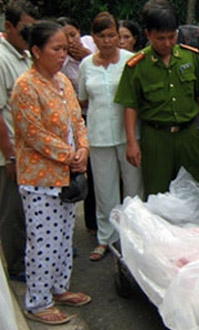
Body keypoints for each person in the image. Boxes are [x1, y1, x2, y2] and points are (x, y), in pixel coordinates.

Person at [11, 20, 92, 325]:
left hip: (67, 177)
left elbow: (78, 122)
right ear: (36, 51)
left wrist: (83, 149)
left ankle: (58, 288)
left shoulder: (62, 82)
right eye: (56, 49)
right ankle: (38, 301)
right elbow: (33, 134)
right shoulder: (26, 86)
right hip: (41, 179)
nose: (62, 54)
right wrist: (70, 155)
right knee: (43, 241)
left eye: (63, 49)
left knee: (62, 237)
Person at [114, 4, 199, 197]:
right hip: (156, 138)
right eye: (161, 38)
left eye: (172, 37)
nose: (167, 43)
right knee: (157, 194)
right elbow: (131, 105)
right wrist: (131, 143)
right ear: (148, 34)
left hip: (188, 135)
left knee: (194, 191)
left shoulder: (189, 57)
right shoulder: (137, 65)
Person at [78, 12, 144, 261]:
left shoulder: (132, 61)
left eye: (111, 35)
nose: (107, 41)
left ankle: (134, 237)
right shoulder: (86, 65)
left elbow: (137, 98)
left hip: (130, 135)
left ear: (119, 36)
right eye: (101, 36)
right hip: (98, 135)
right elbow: (83, 99)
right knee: (105, 191)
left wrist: (133, 139)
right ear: (93, 38)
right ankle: (106, 238)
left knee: (134, 187)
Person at [0, 0, 38, 282]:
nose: (30, 36)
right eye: (25, 30)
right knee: (12, 211)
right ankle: (16, 264)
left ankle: (34, 254)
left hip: (27, 150)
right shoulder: (1, 59)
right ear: (8, 26)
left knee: (29, 207)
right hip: (9, 151)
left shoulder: (24, 55)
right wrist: (10, 154)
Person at [56, 16, 98, 236]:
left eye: (73, 34)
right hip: (77, 118)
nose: (71, 42)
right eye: (65, 38)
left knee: (98, 170)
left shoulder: (91, 45)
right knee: (81, 170)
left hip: (98, 115)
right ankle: (89, 223)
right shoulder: (59, 62)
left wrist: (86, 58)